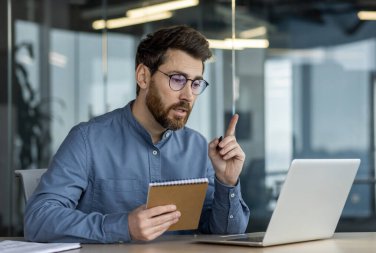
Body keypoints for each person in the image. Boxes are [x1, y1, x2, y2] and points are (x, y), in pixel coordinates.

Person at [24, 25, 250, 243]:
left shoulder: (197, 147)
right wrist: (123, 226)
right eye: (177, 79)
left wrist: (227, 183)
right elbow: (39, 219)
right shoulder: (87, 140)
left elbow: (225, 234)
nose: (188, 95)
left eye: (196, 83)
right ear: (143, 77)